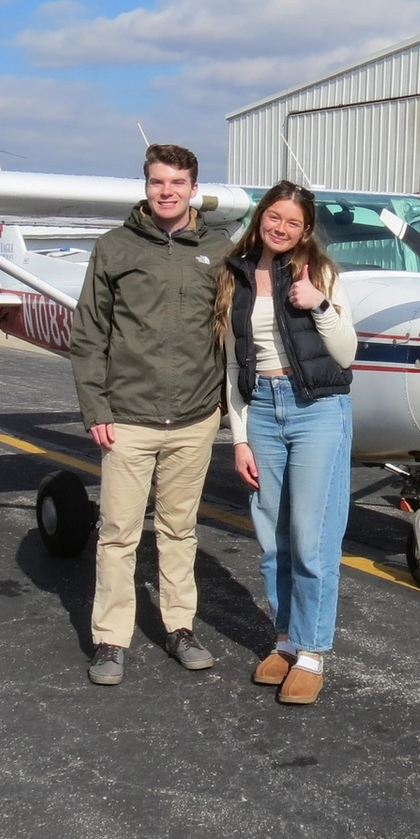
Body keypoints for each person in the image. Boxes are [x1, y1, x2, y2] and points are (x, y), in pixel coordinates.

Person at [68, 143, 233, 686]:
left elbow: (241, 327)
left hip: (194, 418)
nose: (167, 192)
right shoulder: (114, 248)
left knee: (179, 530)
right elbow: (89, 333)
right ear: (145, 187)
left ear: (194, 188)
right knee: (117, 533)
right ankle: (110, 640)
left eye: (177, 183)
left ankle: (179, 627)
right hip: (129, 418)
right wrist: (96, 405)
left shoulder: (218, 248)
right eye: (158, 182)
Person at [217, 182, 357, 705]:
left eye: (293, 222)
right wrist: (239, 438)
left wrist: (319, 304)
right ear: (261, 218)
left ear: (306, 229)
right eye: (274, 217)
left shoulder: (320, 273)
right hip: (263, 413)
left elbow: (345, 353)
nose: (281, 228)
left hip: (317, 409)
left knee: (311, 536)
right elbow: (234, 364)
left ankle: (313, 652)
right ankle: (284, 640)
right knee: (272, 537)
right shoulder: (234, 276)